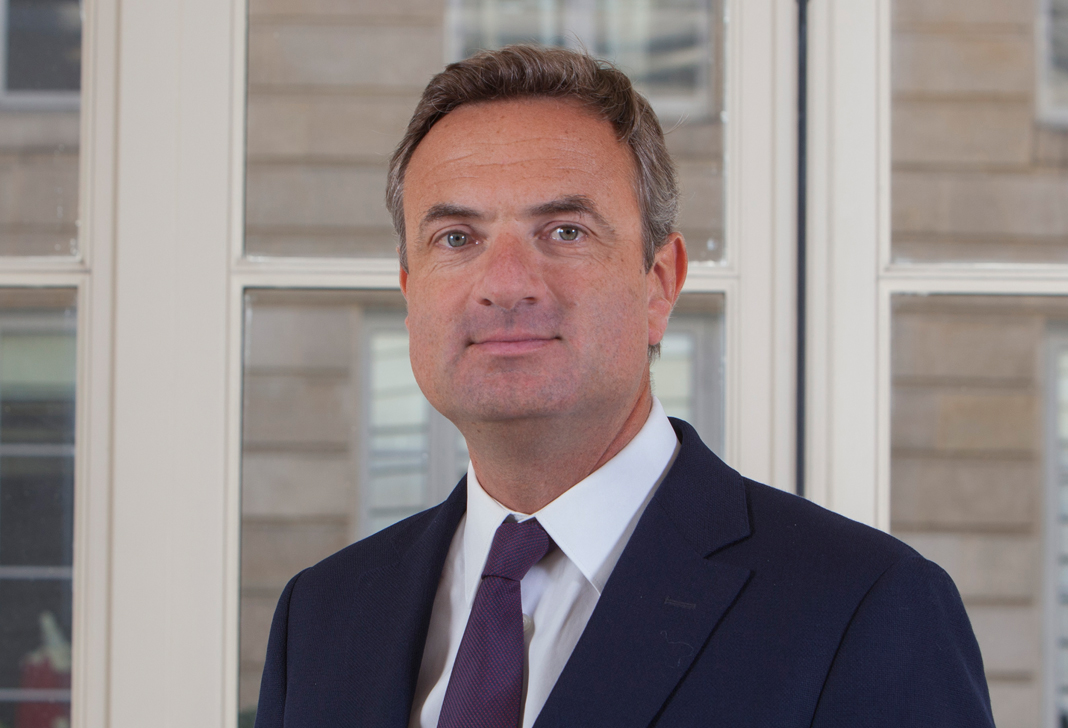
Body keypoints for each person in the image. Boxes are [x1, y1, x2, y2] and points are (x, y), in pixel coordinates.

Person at [254, 45, 994, 727]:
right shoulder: (321, 617)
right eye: (457, 238)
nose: (505, 283)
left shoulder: (865, 609)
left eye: (565, 231)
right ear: (410, 291)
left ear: (659, 283)